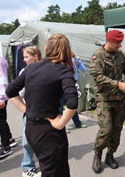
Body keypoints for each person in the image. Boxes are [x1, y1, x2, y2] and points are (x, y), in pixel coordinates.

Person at [6, 34, 78, 177]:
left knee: (53, 168)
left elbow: (10, 91)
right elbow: (72, 102)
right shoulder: (63, 70)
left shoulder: (31, 68)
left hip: (31, 129)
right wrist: (61, 123)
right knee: (55, 171)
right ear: (67, 51)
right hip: (49, 131)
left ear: (46, 49)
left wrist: (26, 111)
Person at [89, 29, 125, 174]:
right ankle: (97, 154)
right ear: (109, 41)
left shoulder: (120, 55)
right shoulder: (98, 55)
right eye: (117, 43)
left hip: (119, 99)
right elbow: (98, 77)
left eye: (121, 43)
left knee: (116, 129)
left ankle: (110, 155)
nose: (120, 46)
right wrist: (118, 84)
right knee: (106, 129)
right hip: (104, 100)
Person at [15, 46, 42, 177]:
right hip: (31, 112)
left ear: (36, 56)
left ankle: (45, 163)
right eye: (24, 57)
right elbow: (16, 92)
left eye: (26, 57)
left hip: (45, 111)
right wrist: (24, 109)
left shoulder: (46, 69)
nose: (24, 60)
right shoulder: (23, 72)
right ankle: (27, 168)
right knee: (27, 140)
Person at [60, 52, 87, 133]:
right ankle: (62, 126)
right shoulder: (60, 60)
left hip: (72, 83)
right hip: (61, 84)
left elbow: (84, 69)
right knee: (60, 106)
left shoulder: (75, 59)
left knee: (72, 104)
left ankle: (77, 123)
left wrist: (78, 62)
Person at [0, 56, 14, 160]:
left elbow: (3, 79)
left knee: (1, 121)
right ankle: (9, 140)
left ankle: (6, 147)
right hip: (2, 96)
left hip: (1, 97)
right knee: (2, 120)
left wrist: (1, 98)